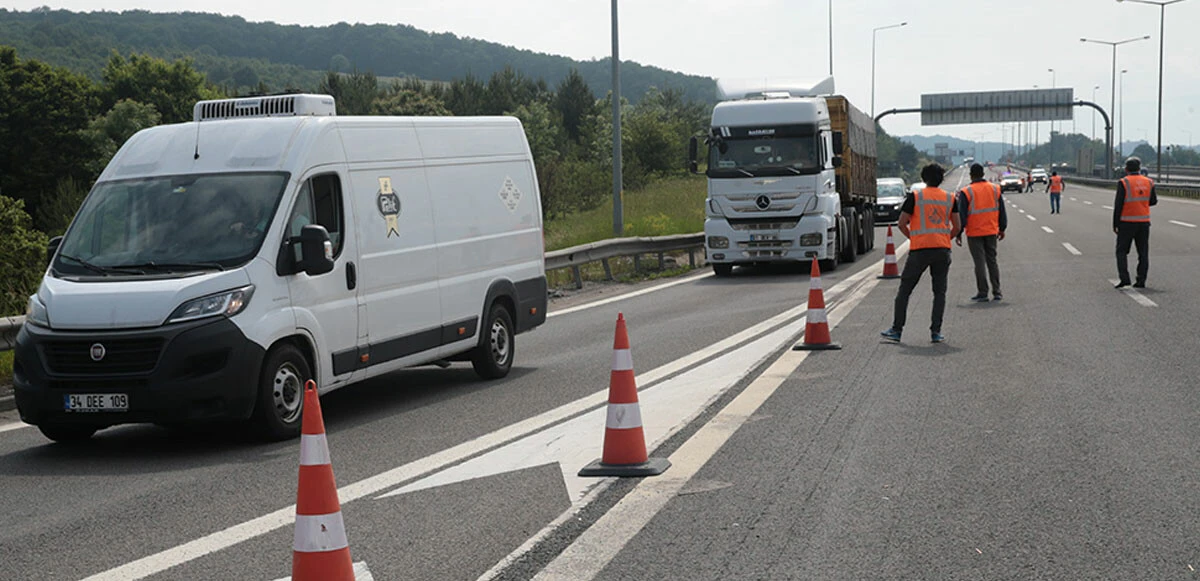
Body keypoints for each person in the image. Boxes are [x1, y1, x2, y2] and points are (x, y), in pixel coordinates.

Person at [881, 164, 963, 344]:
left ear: (924, 178)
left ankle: (896, 329)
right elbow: (957, 226)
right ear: (941, 179)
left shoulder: (915, 196)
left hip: (920, 251)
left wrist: (914, 238)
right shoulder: (950, 198)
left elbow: (902, 223)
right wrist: (944, 238)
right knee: (939, 292)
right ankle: (936, 332)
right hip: (942, 250)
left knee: (905, 290)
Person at [955, 163, 1007, 301]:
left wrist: (958, 232)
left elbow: (962, 215)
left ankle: (983, 292)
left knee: (979, 263)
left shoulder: (967, 192)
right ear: (983, 174)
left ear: (971, 175)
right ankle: (997, 291)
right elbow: (1001, 211)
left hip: (974, 232)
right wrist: (1002, 228)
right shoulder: (995, 189)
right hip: (991, 231)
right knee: (992, 261)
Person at [1113, 156, 1158, 289]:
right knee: (1143, 253)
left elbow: (1118, 205)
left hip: (1126, 222)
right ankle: (1141, 280)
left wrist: (1115, 224)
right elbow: (1153, 201)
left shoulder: (1124, 182)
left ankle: (1124, 278)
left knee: (1121, 251)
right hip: (1144, 222)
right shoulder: (1149, 182)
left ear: (1126, 169)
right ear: (1139, 168)